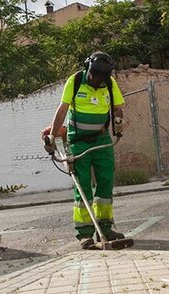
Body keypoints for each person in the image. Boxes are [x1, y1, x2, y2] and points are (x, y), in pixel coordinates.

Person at [42, 51, 125, 250]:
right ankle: (85, 234)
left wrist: (119, 122)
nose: (97, 81)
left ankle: (105, 229)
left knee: (105, 184)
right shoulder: (76, 80)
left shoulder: (109, 83)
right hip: (78, 142)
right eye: (94, 76)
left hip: (102, 140)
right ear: (88, 68)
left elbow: (118, 107)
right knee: (83, 187)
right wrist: (52, 137)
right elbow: (62, 110)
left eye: (101, 78)